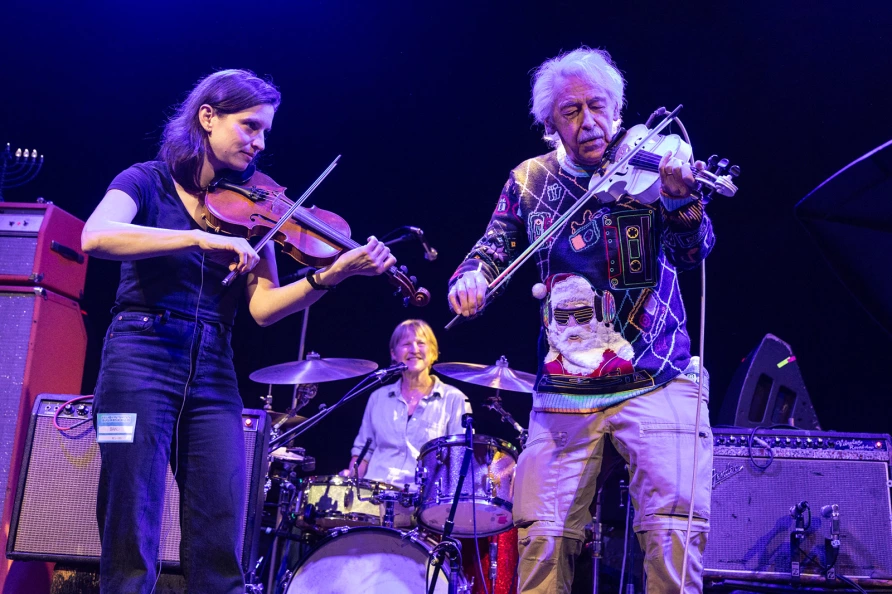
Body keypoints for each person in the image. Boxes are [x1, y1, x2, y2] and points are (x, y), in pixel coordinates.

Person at [81, 69, 395, 594]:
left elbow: (265, 308)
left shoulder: (251, 208)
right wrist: (196, 241)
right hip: (137, 355)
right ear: (207, 118)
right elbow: (97, 236)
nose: (260, 142)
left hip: (212, 366)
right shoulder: (145, 179)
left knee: (222, 523)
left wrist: (328, 276)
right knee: (129, 516)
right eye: (250, 126)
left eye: (266, 131)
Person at [448, 47, 715, 593]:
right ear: (551, 123)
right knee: (540, 538)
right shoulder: (530, 180)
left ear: (617, 113)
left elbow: (693, 253)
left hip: (656, 373)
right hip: (566, 387)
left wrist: (684, 202)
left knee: (673, 534)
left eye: (598, 107)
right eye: (571, 111)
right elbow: (492, 247)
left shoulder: (653, 166)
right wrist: (470, 277)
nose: (588, 121)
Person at [341, 319, 470, 488]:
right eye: (406, 344)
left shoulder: (454, 399)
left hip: (421, 500)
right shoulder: (378, 397)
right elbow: (363, 453)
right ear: (394, 354)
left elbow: (460, 458)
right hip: (373, 494)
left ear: (434, 353)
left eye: (421, 343)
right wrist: (351, 477)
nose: (414, 349)